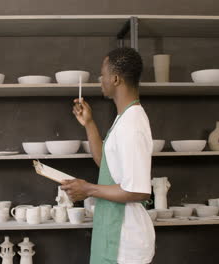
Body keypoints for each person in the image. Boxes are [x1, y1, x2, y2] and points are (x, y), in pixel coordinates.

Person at [61, 47, 155, 264]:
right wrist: (89, 123)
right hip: (115, 234)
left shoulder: (133, 124)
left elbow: (138, 190)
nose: (100, 79)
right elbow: (106, 164)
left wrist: (89, 189)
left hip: (126, 243)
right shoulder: (124, 118)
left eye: (102, 74)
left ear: (115, 79)